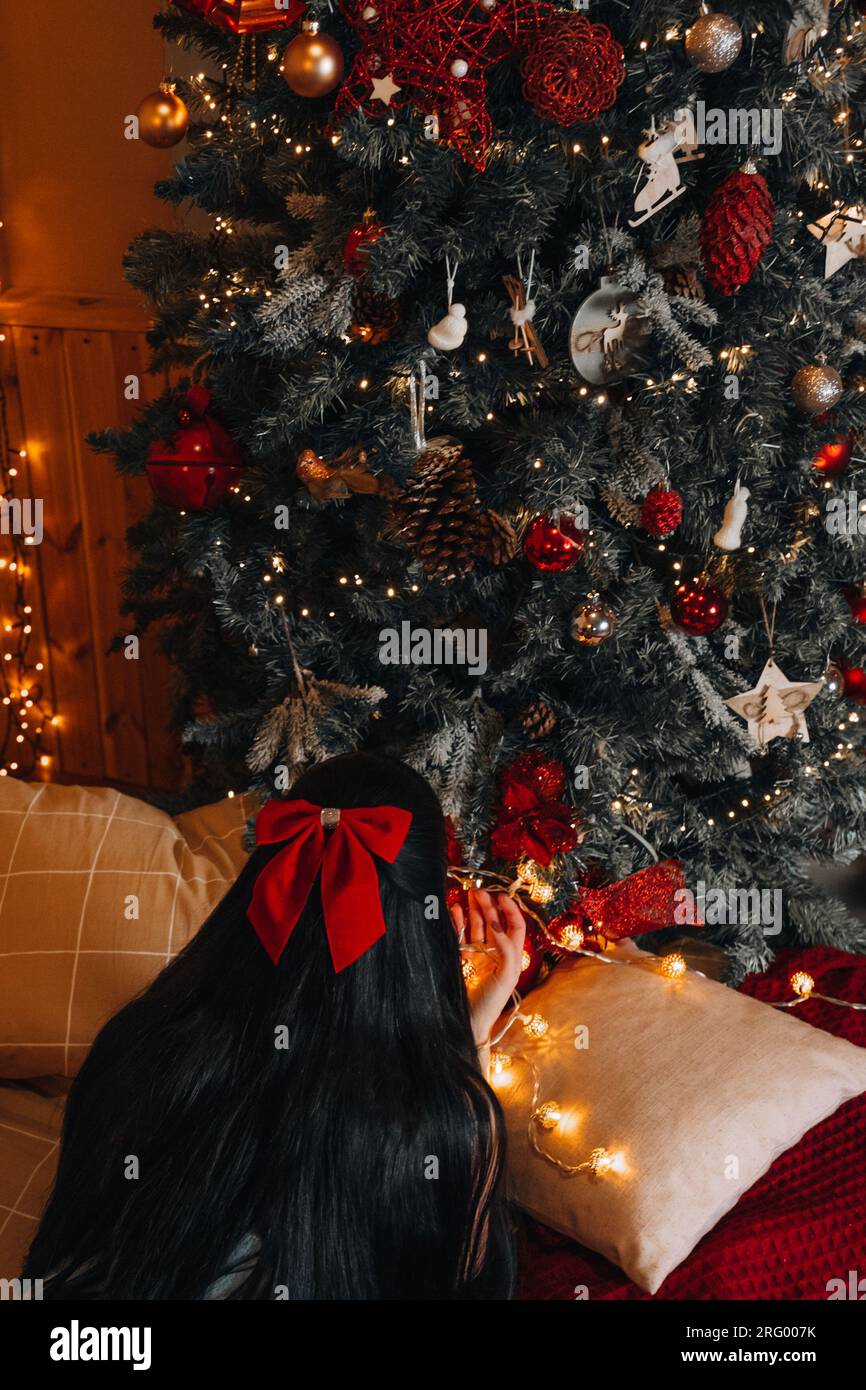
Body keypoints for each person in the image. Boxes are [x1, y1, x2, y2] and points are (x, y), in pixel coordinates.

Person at [25, 753, 526, 1300]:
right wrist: (465, 1041)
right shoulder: (441, 1128)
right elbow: (465, 1279)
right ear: (419, 927)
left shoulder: (141, 1042)